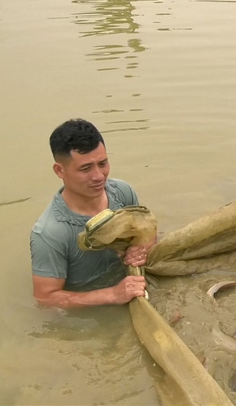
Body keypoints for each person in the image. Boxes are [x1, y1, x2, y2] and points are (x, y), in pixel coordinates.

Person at [30, 119, 152, 308]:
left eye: (103, 163)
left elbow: (147, 234)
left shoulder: (122, 192)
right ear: (59, 170)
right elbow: (45, 299)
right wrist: (112, 294)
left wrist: (143, 249)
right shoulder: (49, 233)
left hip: (132, 287)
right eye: (85, 169)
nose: (98, 176)